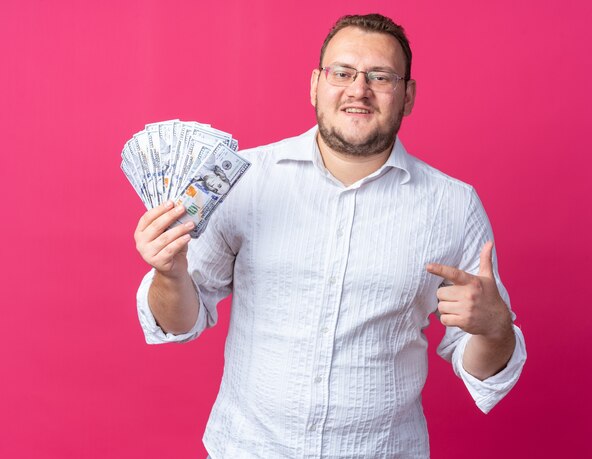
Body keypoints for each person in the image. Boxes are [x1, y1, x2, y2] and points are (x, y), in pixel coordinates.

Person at [134, 13, 527, 458]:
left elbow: (482, 365)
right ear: (315, 85)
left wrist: (496, 329)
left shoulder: (453, 206)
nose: (358, 89)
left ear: (408, 95)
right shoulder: (243, 180)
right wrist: (169, 274)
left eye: (380, 76)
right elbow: (181, 322)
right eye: (342, 72)